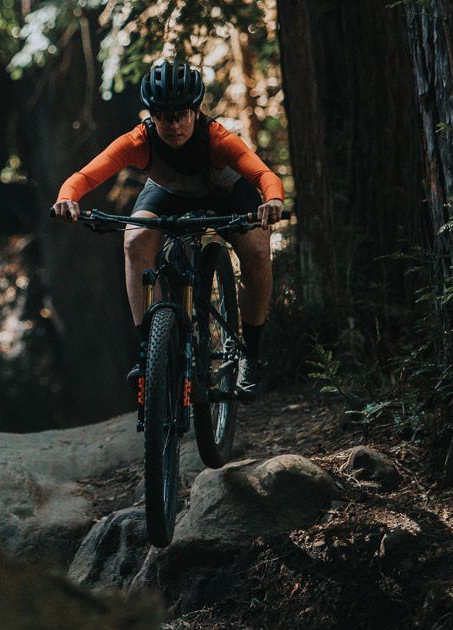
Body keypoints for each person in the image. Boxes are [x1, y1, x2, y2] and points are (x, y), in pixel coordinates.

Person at [51, 61, 284, 401]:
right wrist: (67, 199)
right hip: (169, 193)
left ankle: (250, 353)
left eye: (182, 115)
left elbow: (264, 176)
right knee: (134, 240)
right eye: (164, 116)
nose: (174, 124)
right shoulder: (139, 140)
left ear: (195, 111)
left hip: (226, 194)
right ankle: (152, 348)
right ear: (152, 115)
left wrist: (273, 200)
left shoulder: (216, 138)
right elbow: (84, 177)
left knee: (257, 251)